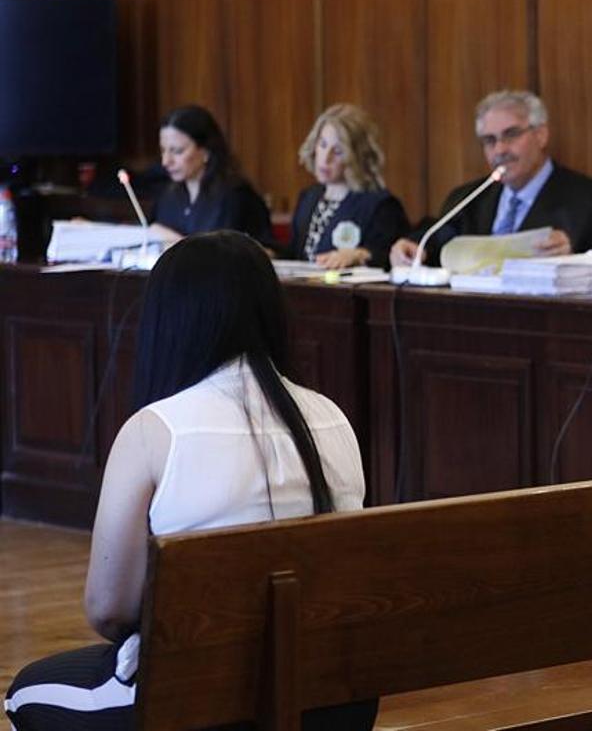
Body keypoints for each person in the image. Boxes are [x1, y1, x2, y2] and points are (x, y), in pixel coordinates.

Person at [5, 231, 374, 730]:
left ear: (168, 322)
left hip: (200, 701)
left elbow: (108, 607)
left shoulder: (155, 430)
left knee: (26, 692)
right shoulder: (332, 417)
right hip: (335, 698)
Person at [389, 89, 592, 268]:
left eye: (511, 135)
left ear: (541, 135)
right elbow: (436, 240)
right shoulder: (467, 198)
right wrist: (411, 247)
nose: (500, 150)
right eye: (490, 140)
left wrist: (577, 256)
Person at [287, 103, 406, 269]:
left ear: (356, 156)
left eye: (338, 152)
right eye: (322, 145)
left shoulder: (380, 205)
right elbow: (295, 253)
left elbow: (390, 256)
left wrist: (361, 254)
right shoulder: (309, 196)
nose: (325, 159)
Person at [151, 105, 275, 247]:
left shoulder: (234, 196)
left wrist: (176, 242)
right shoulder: (168, 196)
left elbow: (231, 253)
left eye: (178, 151)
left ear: (205, 151)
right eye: (163, 151)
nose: (166, 161)